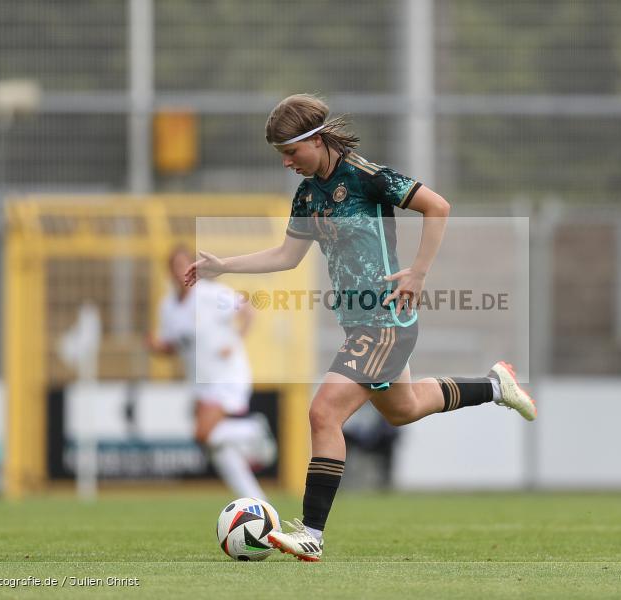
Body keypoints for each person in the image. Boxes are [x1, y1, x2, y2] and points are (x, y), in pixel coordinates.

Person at [184, 94, 535, 561]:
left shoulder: (367, 177)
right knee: (403, 409)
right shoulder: (309, 193)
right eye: (281, 156)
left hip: (385, 320)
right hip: (359, 326)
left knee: (323, 413)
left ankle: (312, 533)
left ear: (315, 139)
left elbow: (439, 207)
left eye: (291, 152)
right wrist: (223, 265)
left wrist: (418, 272)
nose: (287, 163)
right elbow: (286, 256)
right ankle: (495, 386)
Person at [148, 245, 275, 500]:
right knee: (218, 448)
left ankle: (254, 430)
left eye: (185, 265)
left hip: (226, 376)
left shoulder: (210, 294)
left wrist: (236, 340)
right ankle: (257, 502)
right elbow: (174, 345)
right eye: (175, 267)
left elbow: (247, 309)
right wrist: (157, 347)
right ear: (169, 272)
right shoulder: (168, 307)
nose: (180, 272)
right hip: (200, 382)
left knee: (203, 434)